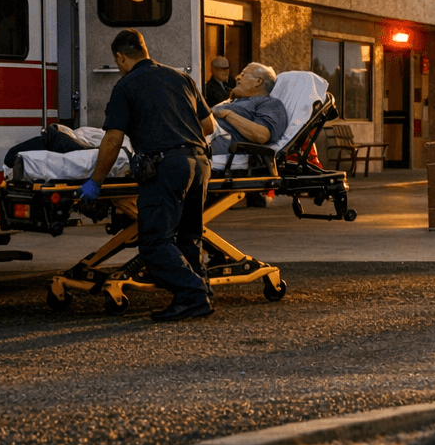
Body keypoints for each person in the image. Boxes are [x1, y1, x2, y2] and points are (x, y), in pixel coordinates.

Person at [81, 29, 217, 322]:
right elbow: (208, 126)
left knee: (155, 242)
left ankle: (194, 294)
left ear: (120, 57)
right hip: (199, 163)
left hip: (166, 168)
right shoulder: (182, 78)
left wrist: (95, 182)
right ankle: (198, 295)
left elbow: (112, 140)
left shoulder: (126, 86)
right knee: (189, 238)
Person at [210, 62, 287, 207]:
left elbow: (262, 135)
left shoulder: (270, 104)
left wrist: (227, 114)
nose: (237, 77)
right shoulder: (236, 100)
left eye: (244, 75)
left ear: (259, 82)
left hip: (218, 138)